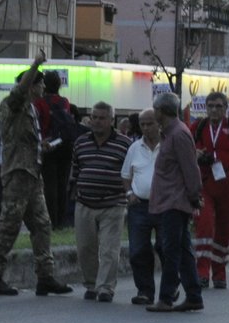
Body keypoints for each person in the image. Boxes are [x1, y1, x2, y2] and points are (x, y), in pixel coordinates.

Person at [0, 52, 73, 297]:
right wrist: (35, 64)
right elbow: (19, 92)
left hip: (33, 174)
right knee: (9, 225)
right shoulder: (13, 103)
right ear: (31, 85)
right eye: (39, 83)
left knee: (42, 225)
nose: (43, 87)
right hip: (17, 173)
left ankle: (45, 276)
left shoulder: (31, 110)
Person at [147, 91, 204, 313]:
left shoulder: (179, 134)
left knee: (171, 251)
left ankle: (166, 297)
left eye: (155, 110)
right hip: (169, 200)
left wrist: (194, 195)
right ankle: (194, 295)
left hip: (175, 202)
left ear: (160, 111)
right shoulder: (170, 134)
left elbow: (191, 169)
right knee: (182, 250)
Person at [70, 101, 130, 302]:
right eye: (94, 117)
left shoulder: (124, 144)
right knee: (85, 247)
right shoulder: (81, 142)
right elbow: (75, 170)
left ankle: (105, 288)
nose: (96, 121)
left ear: (111, 120)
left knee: (109, 249)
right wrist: (74, 194)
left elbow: (129, 173)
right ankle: (91, 284)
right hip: (84, 203)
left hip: (113, 204)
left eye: (101, 118)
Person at [192, 92, 229, 289]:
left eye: (218, 106)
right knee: (204, 224)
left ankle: (219, 272)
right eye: (210, 106)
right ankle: (201, 271)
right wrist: (195, 153)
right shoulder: (198, 127)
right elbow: (183, 148)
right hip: (205, 183)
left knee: (224, 229)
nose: (214, 110)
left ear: (226, 108)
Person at [121, 108, 164, 306]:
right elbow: (126, 175)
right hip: (139, 206)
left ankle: (169, 290)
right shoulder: (134, 148)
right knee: (138, 250)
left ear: (159, 123)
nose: (146, 128)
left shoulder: (168, 145)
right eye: (143, 124)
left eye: (150, 123)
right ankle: (145, 290)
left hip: (164, 205)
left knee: (165, 248)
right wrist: (129, 194)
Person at [35, 68, 75, 228]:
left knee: (50, 186)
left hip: (48, 147)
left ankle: (52, 220)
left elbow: (39, 124)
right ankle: (62, 220)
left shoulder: (39, 103)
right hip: (64, 146)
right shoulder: (64, 101)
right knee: (62, 185)